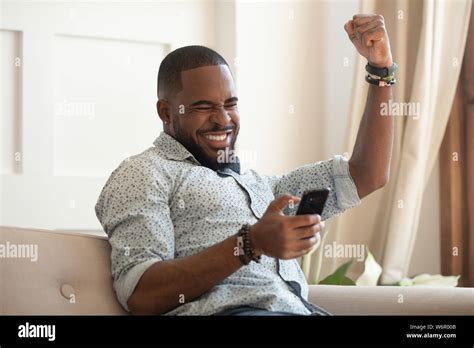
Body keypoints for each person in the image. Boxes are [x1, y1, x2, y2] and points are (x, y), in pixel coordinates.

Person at [95, 14, 395, 315]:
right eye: (203, 107)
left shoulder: (265, 188)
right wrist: (251, 243)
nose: (223, 119)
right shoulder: (144, 172)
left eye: (230, 104)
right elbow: (141, 294)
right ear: (165, 112)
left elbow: (367, 174)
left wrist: (381, 72)